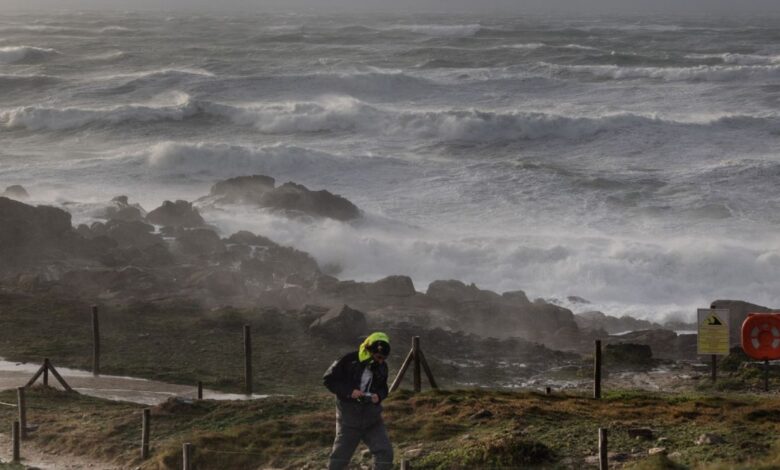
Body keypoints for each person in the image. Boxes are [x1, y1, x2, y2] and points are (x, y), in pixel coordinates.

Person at [323, 332, 394, 470]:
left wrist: (378, 396)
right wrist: (350, 392)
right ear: (369, 350)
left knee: (385, 454)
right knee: (339, 459)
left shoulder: (383, 367)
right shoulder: (348, 360)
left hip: (373, 418)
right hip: (349, 419)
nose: (381, 361)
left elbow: (384, 388)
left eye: (384, 358)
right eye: (379, 357)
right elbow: (328, 380)